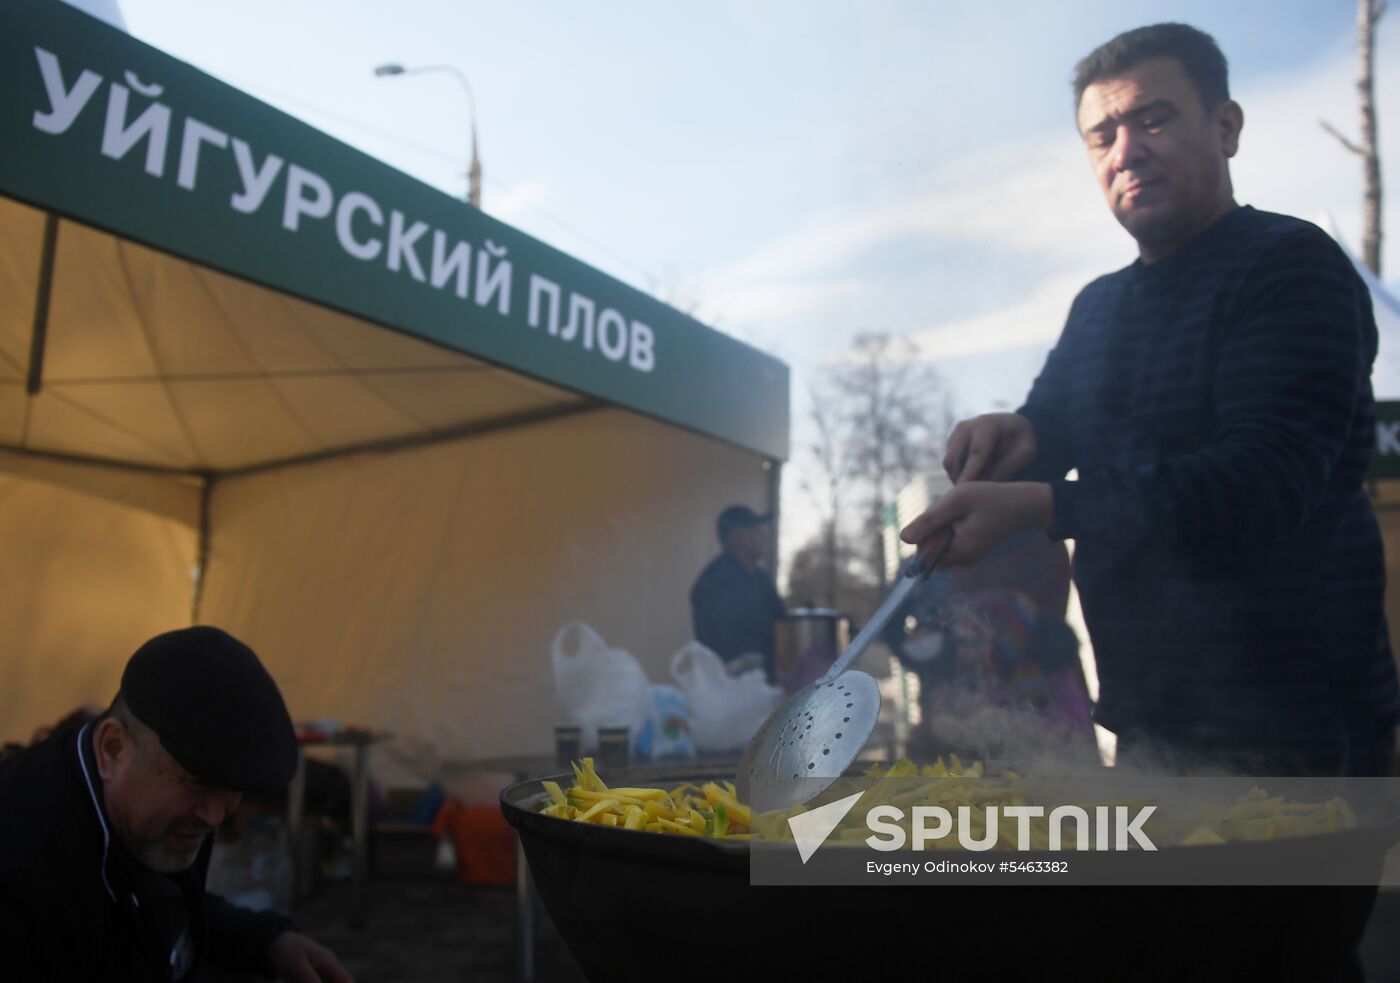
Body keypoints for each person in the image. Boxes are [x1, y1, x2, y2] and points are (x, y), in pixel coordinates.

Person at [900, 23, 1400, 780]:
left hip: (1302, 734)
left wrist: (1039, 506)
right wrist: (1017, 435)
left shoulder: (1289, 266)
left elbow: (1261, 483)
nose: (1126, 151)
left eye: (1153, 119)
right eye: (1102, 136)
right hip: (1149, 729)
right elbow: (1053, 425)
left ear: (1226, 127)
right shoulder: (1098, 307)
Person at [0, 626, 354, 982]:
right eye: (195, 780)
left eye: (234, 788)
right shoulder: (25, 879)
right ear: (113, 749)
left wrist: (267, 940)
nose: (214, 816)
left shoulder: (150, 814)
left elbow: (163, 903)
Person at [690, 504, 786, 680]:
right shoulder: (714, 582)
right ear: (735, 537)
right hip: (732, 687)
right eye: (755, 530)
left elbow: (782, 624)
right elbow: (720, 646)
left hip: (767, 684)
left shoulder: (762, 579)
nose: (763, 535)